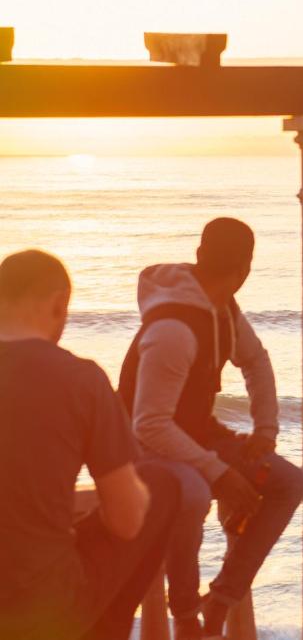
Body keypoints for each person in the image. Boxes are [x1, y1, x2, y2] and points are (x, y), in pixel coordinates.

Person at [118, 218, 303, 639]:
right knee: (195, 492)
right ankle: (185, 615)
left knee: (288, 483)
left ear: (200, 254)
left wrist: (266, 432)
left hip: (193, 437)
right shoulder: (173, 331)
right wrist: (220, 472)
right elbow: (148, 424)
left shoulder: (223, 312)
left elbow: (256, 361)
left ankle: (220, 600)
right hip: (140, 450)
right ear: (246, 268)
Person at [0, 249, 182, 640]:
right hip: (36, 603)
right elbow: (127, 519)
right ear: (58, 305)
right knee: (162, 484)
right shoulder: (80, 380)